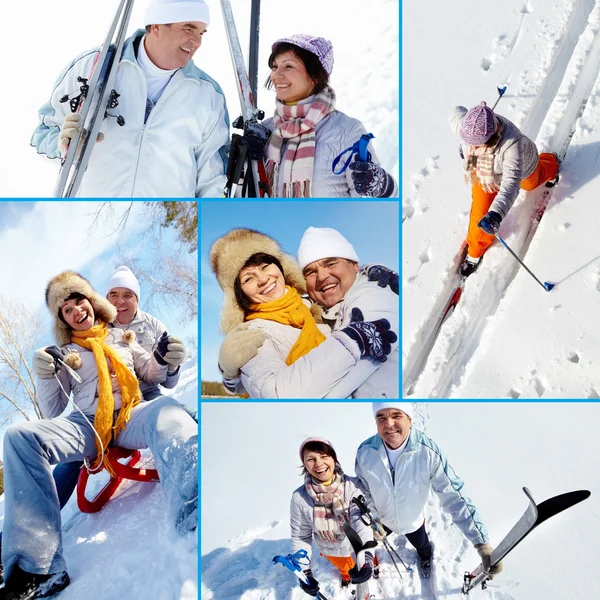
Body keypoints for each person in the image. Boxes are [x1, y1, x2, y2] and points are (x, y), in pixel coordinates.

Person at [0, 271, 198, 599]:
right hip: (89, 424)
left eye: (79, 300)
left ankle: (193, 505)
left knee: (168, 411)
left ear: (91, 302)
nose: (76, 309)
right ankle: (39, 568)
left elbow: (151, 373)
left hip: (132, 414)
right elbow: (52, 411)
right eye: (66, 309)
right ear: (63, 320)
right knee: (20, 436)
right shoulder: (64, 353)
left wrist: (165, 359)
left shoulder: (122, 337)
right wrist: (47, 373)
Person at [31, 0, 229, 197]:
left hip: (167, 223)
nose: (197, 41)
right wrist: (63, 145)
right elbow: (43, 133)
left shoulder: (208, 96)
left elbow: (214, 181)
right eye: (188, 28)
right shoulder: (93, 68)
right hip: (90, 220)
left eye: (201, 33)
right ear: (156, 26)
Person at [45, 265, 193, 513]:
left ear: (137, 299)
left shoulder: (153, 326)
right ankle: (40, 516)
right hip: (100, 410)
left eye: (128, 295)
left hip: (143, 394)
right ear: (104, 300)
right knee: (68, 462)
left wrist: (171, 361)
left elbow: (165, 381)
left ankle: (193, 463)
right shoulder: (97, 325)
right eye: (114, 294)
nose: (121, 302)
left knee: (181, 414)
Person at [209, 228, 397, 398]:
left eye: (265, 266)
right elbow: (276, 395)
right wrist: (351, 343)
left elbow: (344, 295)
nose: (263, 279)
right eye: (249, 278)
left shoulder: (310, 306)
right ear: (238, 294)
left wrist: (367, 273)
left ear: (281, 267)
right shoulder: (251, 335)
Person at [354, 402, 502, 580]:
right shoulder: (365, 452)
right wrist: (373, 517)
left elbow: (454, 496)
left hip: (413, 521)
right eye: (381, 418)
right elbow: (364, 489)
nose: (389, 424)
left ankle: (425, 556)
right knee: (373, 540)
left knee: (421, 544)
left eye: (396, 416)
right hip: (383, 520)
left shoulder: (428, 453)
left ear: (410, 419)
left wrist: (481, 543)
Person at [245, 34, 397, 198]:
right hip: (273, 224)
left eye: (288, 66)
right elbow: (242, 203)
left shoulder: (346, 131)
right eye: (274, 66)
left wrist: (382, 186)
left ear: (316, 76)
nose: (276, 75)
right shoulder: (266, 132)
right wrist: (244, 162)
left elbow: (375, 206)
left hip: (328, 225)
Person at [450, 101, 559, 276]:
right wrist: (466, 146)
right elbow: (455, 111)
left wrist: (496, 214)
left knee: (532, 182)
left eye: (475, 145)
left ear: (489, 139)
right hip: (485, 173)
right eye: (467, 143)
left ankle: (551, 163)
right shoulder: (464, 127)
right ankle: (475, 252)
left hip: (523, 166)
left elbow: (510, 184)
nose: (471, 148)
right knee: (480, 212)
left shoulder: (512, 145)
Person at [291, 438, 375, 595]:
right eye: (311, 459)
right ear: (304, 464)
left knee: (364, 562)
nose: (318, 463)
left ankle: (372, 563)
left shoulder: (353, 486)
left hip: (358, 543)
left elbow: (361, 521)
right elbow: (300, 537)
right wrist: (304, 573)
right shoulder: (299, 498)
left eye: (324, 456)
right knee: (345, 568)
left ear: (334, 458)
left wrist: (367, 558)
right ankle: (346, 575)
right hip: (331, 548)